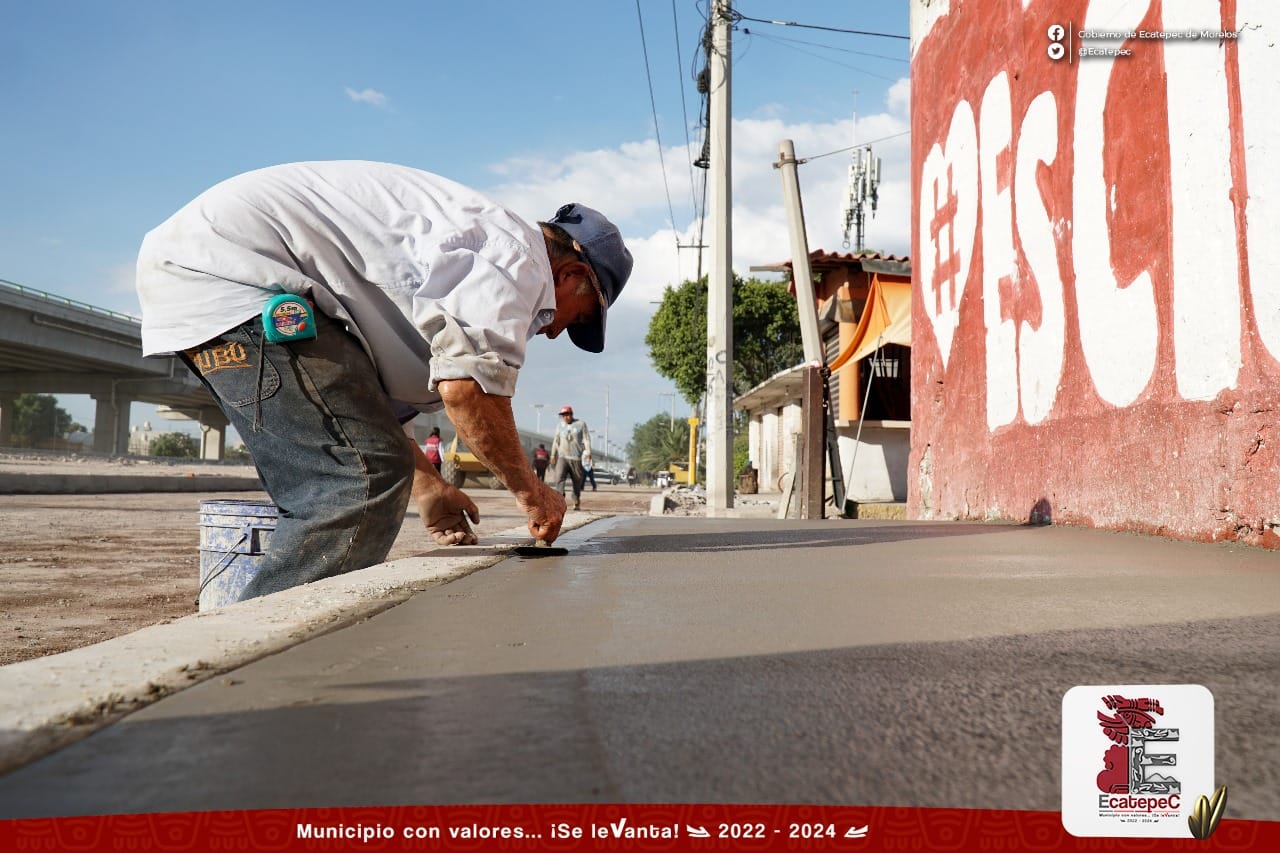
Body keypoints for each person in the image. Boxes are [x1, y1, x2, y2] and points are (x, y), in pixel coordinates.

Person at [136, 161, 632, 601]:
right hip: (231, 273)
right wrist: (530, 490)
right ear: (571, 274)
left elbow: (368, 409)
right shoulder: (515, 259)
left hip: (224, 269)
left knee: (359, 472)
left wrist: (429, 486)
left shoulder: (486, 250)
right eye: (575, 317)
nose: (553, 331)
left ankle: (276, 653)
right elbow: (467, 390)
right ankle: (255, 667)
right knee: (351, 485)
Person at [548, 405, 590, 510]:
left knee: (577, 481)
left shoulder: (581, 424)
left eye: (566, 415)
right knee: (559, 477)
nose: (564, 417)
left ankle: (576, 500)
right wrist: (553, 454)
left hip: (576, 458)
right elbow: (556, 441)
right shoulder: (559, 426)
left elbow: (586, 439)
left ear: (571, 414)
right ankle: (560, 499)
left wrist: (588, 452)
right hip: (563, 457)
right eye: (562, 415)